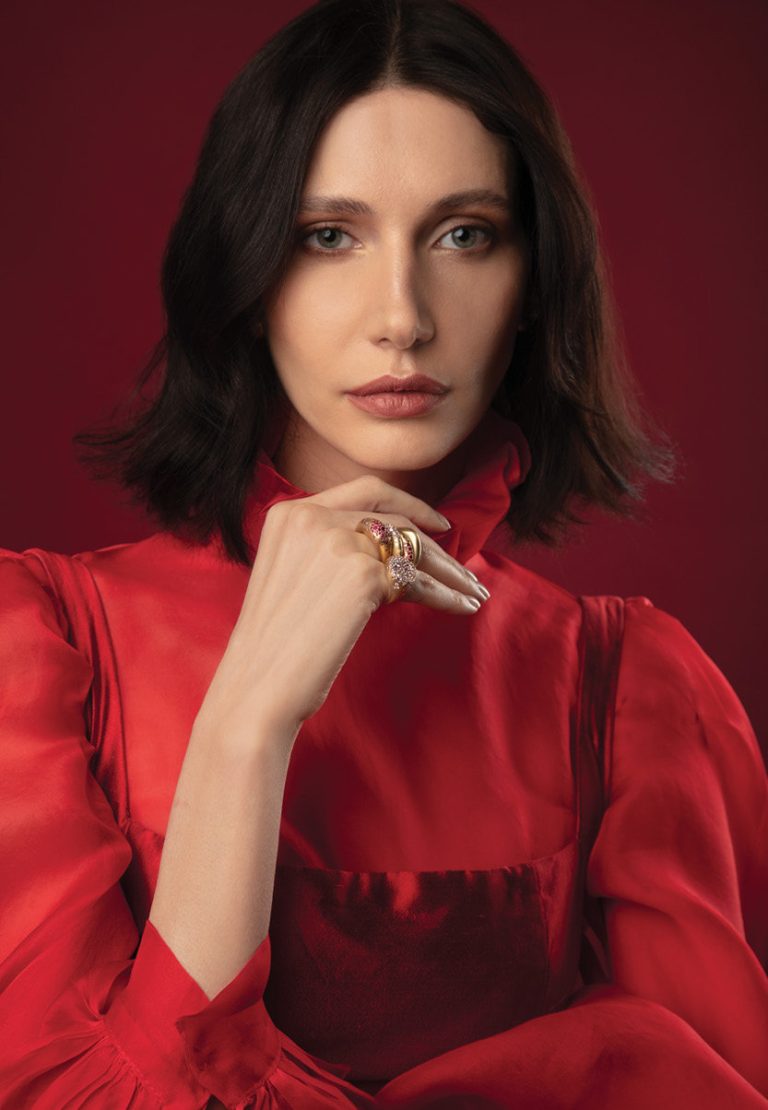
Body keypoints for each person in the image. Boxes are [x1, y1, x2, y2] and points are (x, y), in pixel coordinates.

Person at [1, 0, 766, 1106]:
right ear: (247, 275)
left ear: (534, 285)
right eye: (329, 236)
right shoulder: (44, 648)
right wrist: (244, 730)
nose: (401, 316)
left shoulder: (627, 691)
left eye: (465, 235)